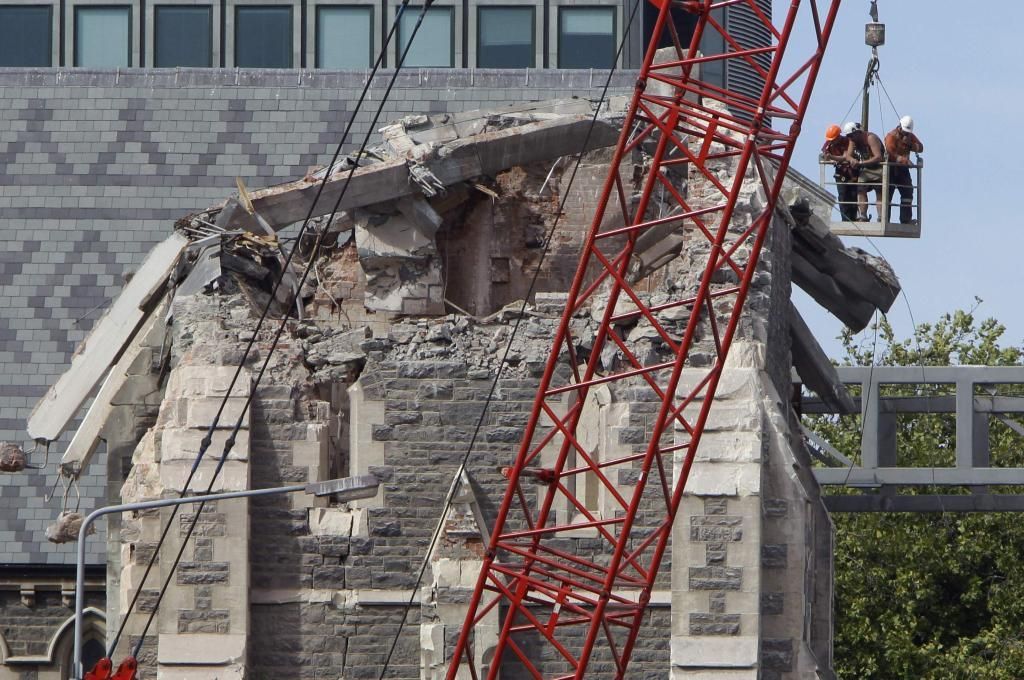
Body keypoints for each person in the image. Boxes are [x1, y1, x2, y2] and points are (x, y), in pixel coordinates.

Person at [842, 121, 886, 222]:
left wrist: (861, 163)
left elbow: (878, 157)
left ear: (857, 132)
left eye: (851, 136)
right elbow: (848, 155)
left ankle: (881, 217)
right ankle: (863, 215)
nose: (850, 138)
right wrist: (851, 159)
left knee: (879, 192)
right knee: (861, 190)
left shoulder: (870, 138)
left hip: (878, 168)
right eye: (848, 136)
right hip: (866, 169)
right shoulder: (853, 141)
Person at [884, 115, 924, 224]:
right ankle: (884, 219)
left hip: (903, 171)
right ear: (900, 126)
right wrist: (903, 160)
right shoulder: (891, 136)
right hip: (891, 169)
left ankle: (906, 219)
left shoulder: (910, 136)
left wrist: (910, 144)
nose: (906, 133)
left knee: (907, 193)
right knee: (887, 194)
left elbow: (921, 148)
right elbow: (890, 153)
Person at [821, 124, 858, 221]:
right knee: (842, 195)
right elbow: (824, 156)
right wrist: (829, 159)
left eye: (833, 139)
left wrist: (832, 158)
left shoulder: (846, 141)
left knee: (853, 195)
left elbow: (845, 157)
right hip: (840, 171)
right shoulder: (828, 144)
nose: (832, 141)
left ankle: (853, 218)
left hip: (851, 171)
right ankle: (845, 219)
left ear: (838, 136)